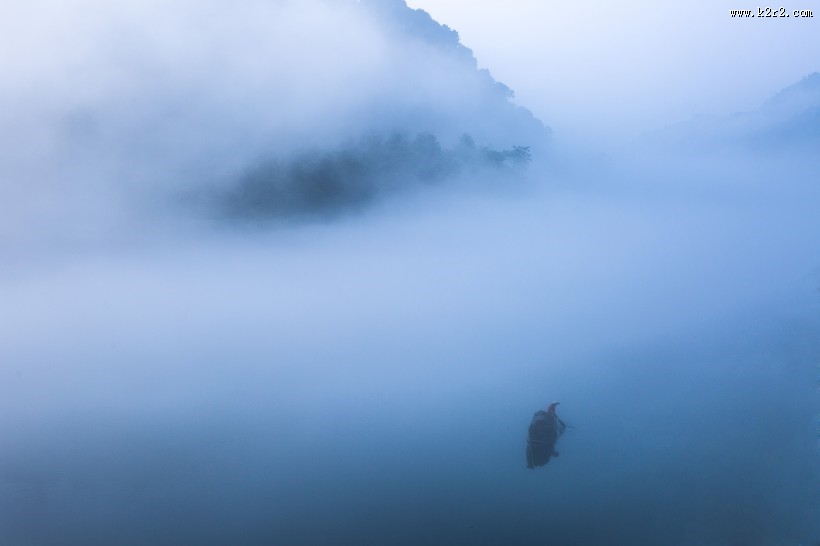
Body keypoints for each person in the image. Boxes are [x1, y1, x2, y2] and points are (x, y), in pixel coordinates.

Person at [526, 402, 566, 469]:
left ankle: (551, 407)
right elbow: (529, 447)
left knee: (551, 419)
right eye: (538, 425)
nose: (540, 427)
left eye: (541, 425)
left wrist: (552, 451)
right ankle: (551, 407)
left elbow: (551, 443)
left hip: (543, 455)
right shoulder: (533, 432)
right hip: (537, 455)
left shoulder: (549, 430)